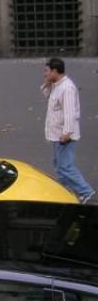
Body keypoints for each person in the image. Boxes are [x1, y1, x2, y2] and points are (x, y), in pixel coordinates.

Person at [41, 58, 95, 204]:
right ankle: (65, 193)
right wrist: (47, 85)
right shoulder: (56, 85)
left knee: (65, 166)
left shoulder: (67, 88)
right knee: (59, 166)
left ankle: (87, 192)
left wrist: (66, 133)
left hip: (64, 135)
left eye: (47, 71)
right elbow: (48, 98)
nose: (45, 74)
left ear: (54, 71)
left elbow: (70, 113)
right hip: (57, 134)